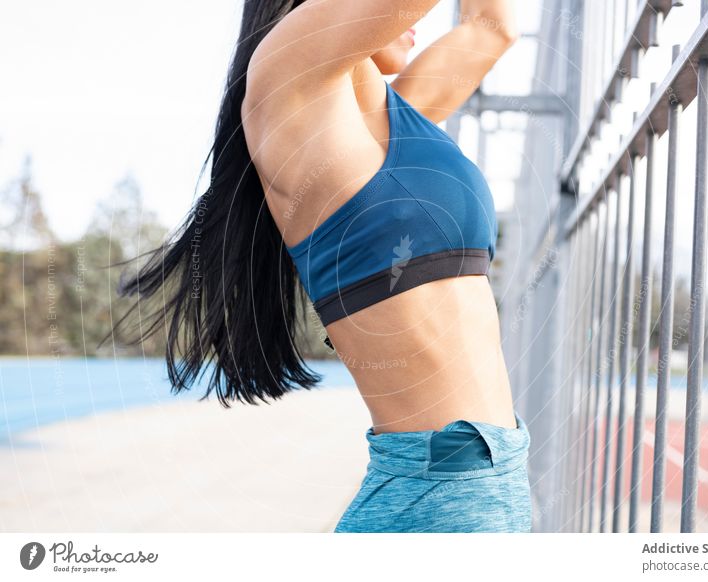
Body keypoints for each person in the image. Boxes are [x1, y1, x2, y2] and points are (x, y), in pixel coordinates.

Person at [115, 0, 532, 533]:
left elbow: (491, 27)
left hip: (485, 482)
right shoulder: (286, 83)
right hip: (438, 495)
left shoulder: (390, 119)